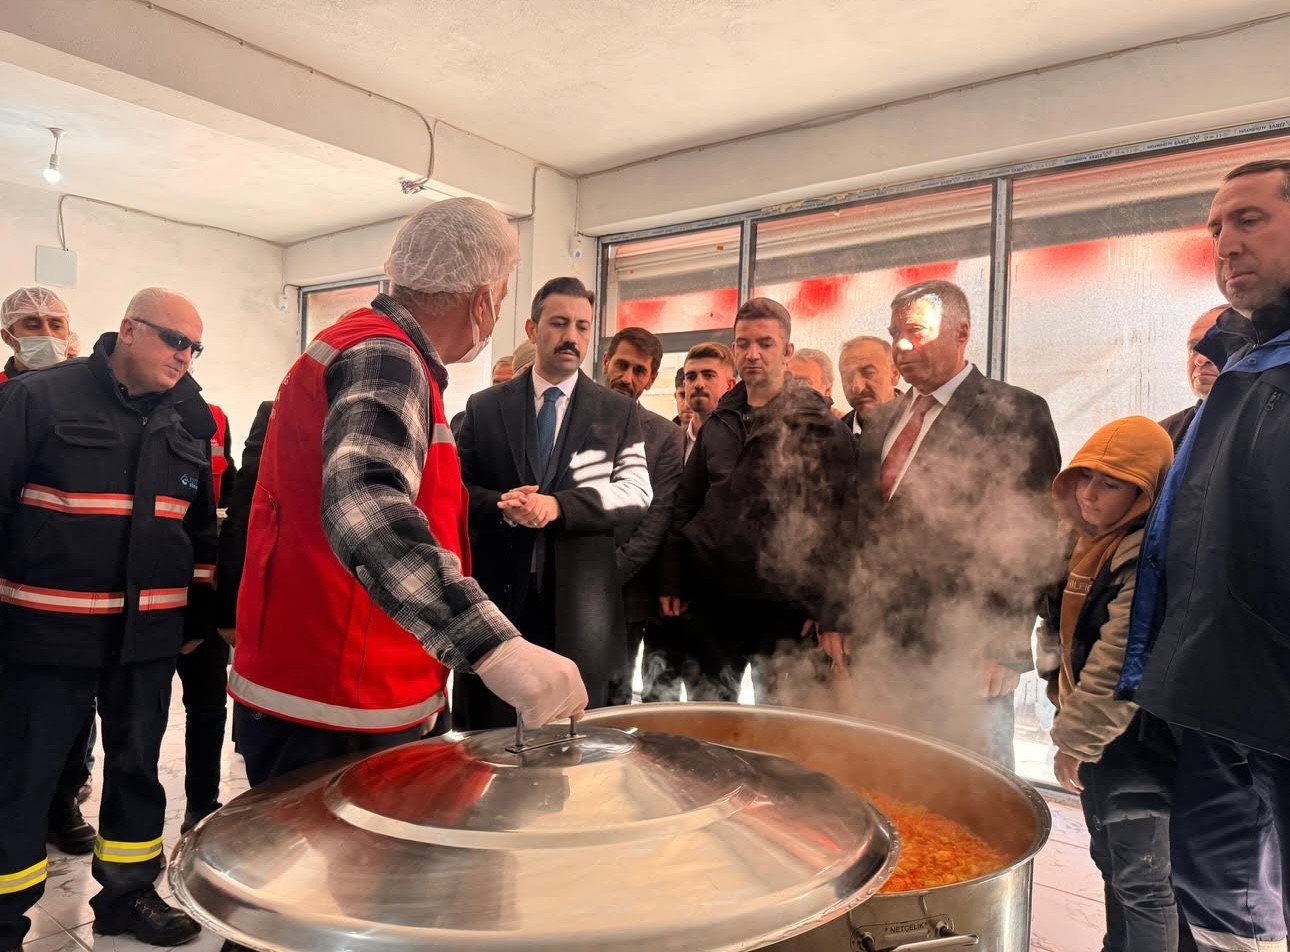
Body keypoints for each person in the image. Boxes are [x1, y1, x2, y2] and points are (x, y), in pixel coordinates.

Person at [227, 199, 588, 795]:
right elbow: (364, 505)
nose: (496, 312)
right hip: (340, 704)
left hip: (340, 686)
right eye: (500, 297)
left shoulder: (380, 352)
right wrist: (494, 647)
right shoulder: (385, 356)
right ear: (479, 299)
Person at [0, 287, 218, 948]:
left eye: (195, 346)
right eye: (172, 339)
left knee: (137, 774)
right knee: (22, 780)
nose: (184, 355)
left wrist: (197, 620)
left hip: (145, 643)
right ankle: (5, 916)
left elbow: (200, 534)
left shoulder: (192, 418)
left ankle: (127, 897)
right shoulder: (39, 399)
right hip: (45, 638)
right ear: (128, 329)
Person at [1119, 158, 1290, 952]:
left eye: (1249, 219)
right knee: (1219, 905)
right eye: (1215, 225)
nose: (1224, 240)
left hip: (1276, 697)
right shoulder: (1240, 368)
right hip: (1212, 700)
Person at [851, 280, 1062, 767]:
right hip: (882, 637)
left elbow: (1035, 532)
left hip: (968, 641)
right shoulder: (882, 420)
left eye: (915, 332)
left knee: (973, 785)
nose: (900, 347)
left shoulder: (1015, 412)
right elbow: (861, 527)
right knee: (893, 773)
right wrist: (843, 619)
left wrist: (1007, 645)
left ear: (961, 332)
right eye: (893, 334)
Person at [455, 276, 652, 728]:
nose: (571, 337)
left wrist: (559, 506)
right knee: (491, 737)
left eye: (582, 327)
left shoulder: (616, 411)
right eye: (559, 323)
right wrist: (502, 505)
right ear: (531, 328)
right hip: (499, 599)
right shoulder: (485, 407)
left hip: (582, 607)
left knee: (574, 741)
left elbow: (637, 491)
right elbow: (458, 491)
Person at [660, 298, 856, 704]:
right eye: (743, 343)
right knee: (709, 726)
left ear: (787, 352)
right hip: (713, 604)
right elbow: (687, 502)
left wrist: (830, 611)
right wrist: (674, 577)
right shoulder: (719, 422)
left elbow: (843, 524)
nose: (753, 354)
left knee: (783, 735)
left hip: (786, 610)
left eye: (765, 344)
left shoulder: (821, 427)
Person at [1041, 416, 1184, 952]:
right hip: (1103, 738)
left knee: (1144, 881)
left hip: (1139, 742)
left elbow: (1121, 656)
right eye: (1084, 477)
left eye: (1110, 483)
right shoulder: (1085, 544)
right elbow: (1060, 633)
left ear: (1145, 491)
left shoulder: (1146, 554)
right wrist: (1062, 705)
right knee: (1111, 863)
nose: (1090, 495)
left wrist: (1076, 739)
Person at [0, 288, 100, 854]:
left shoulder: (84, 399)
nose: (44, 331)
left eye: (55, 321)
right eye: (30, 322)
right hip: (11, 582)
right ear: (9, 335)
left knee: (72, 706)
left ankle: (63, 800)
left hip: (70, 590)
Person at [600, 327, 684, 705]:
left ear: (650, 379)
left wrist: (608, 575)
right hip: (564, 582)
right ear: (605, 363)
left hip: (627, 590)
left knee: (615, 695)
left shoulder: (666, 437)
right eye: (621, 365)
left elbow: (657, 518)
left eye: (639, 371)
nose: (627, 378)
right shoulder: (570, 418)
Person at [174, 403, 237, 833]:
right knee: (138, 715)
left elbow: (228, 507)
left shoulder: (211, 418)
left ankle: (202, 804)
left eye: (189, 347)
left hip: (203, 591)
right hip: (144, 600)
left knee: (208, 708)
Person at [1158, 306, 1225, 448]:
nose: (1200, 360)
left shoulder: (1273, 426)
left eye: (1218, 345)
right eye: (1194, 350)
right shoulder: (1161, 434)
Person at [680, 341, 737, 465]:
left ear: (730, 386)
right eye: (691, 377)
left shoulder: (744, 442)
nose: (698, 384)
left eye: (708, 375)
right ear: (685, 386)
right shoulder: (671, 441)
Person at [838, 335, 901, 436]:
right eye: (847, 377)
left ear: (895, 374)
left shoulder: (927, 425)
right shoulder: (830, 440)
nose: (857, 387)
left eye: (868, 372)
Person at [786, 347, 840, 414]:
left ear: (827, 390)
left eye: (803, 383)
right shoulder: (773, 419)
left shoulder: (844, 423)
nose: (792, 390)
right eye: (788, 381)